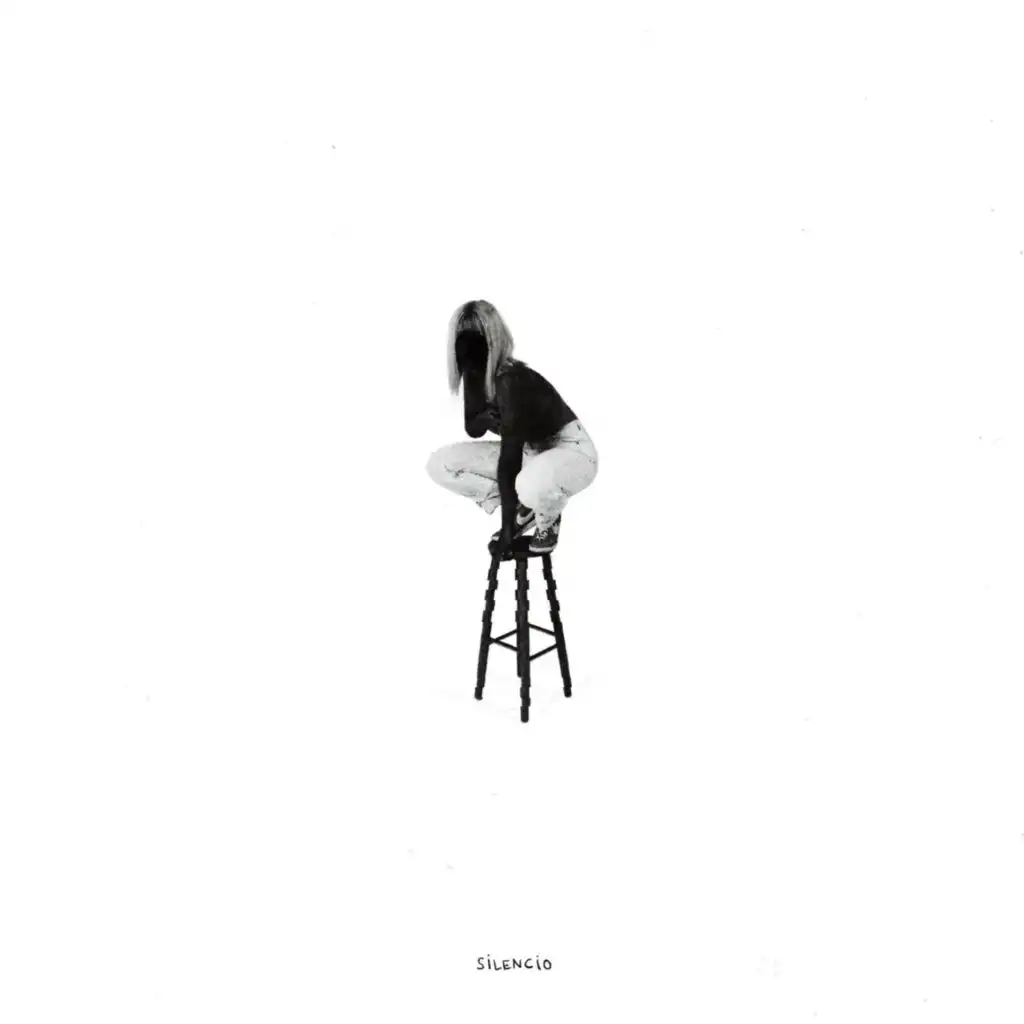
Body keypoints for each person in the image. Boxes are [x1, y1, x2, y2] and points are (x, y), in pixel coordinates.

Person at [426, 300, 598, 556]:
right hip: (530, 451)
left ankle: (547, 518)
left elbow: (509, 461)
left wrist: (507, 532)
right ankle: (524, 508)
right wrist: (487, 417)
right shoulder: (474, 375)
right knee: (441, 465)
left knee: (526, 484)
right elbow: (473, 428)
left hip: (570, 449)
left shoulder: (511, 380)